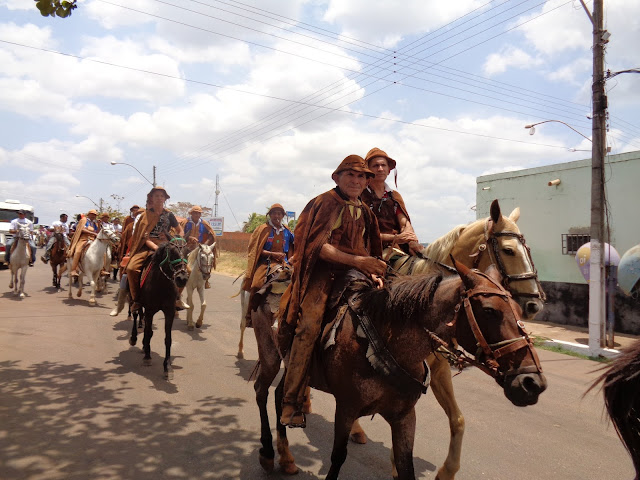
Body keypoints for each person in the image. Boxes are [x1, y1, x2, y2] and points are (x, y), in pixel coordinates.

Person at [277, 154, 386, 427]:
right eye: (350, 174)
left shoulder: (366, 211)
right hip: (322, 274)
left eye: (362, 176)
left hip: (357, 272)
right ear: (337, 177)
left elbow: (370, 250)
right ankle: (291, 401)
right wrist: (358, 261)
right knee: (308, 327)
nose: (356, 180)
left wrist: (374, 271)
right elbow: (316, 247)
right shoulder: (324, 202)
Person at [125, 187, 187, 311]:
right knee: (131, 269)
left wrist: (174, 239)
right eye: (156, 196)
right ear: (151, 198)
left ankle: (177, 298)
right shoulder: (145, 215)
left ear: (165, 199)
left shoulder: (169, 215)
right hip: (148, 245)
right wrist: (156, 248)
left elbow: (180, 231)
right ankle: (136, 300)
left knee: (186, 269)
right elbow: (144, 236)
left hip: (167, 245)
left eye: (161, 196)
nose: (159, 198)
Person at [361, 147, 421, 255]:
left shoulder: (394, 196)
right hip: (367, 249)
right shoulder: (359, 195)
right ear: (368, 170)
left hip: (396, 247)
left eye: (383, 165)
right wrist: (395, 238)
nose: (380, 169)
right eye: (375, 166)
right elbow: (360, 232)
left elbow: (404, 223)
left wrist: (411, 240)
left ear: (388, 170)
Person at [242, 203, 294, 323]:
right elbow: (256, 249)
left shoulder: (287, 230)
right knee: (255, 285)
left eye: (279, 213)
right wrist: (272, 254)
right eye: (274, 213)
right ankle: (249, 315)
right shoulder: (263, 229)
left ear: (282, 216)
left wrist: (292, 258)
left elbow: (295, 245)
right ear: (270, 215)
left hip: (284, 263)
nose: (277, 216)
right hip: (266, 262)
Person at [181, 205, 217, 289]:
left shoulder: (204, 224)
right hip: (186, 246)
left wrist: (205, 244)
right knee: (180, 262)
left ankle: (206, 280)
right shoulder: (185, 223)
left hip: (199, 247)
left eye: (199, 213)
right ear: (191, 213)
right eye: (195, 213)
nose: (197, 215)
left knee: (207, 260)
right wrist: (189, 238)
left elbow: (211, 235)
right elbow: (180, 234)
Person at [67, 209, 99, 278]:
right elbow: (82, 229)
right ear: (89, 214)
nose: (94, 216)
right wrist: (93, 233)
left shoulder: (95, 223)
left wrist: (99, 225)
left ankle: (102, 269)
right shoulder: (84, 220)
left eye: (95, 215)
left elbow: (97, 231)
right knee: (78, 251)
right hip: (83, 239)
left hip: (93, 239)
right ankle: (74, 269)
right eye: (92, 214)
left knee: (103, 251)